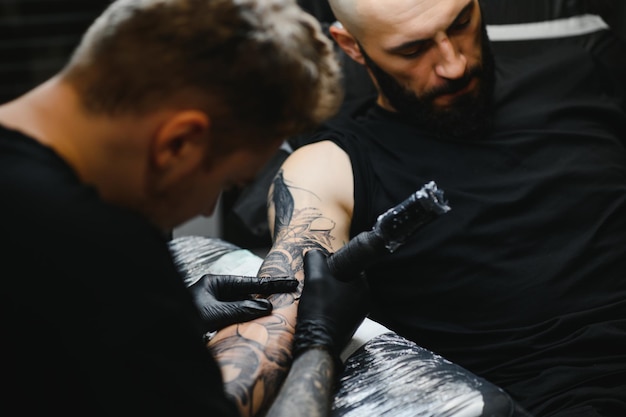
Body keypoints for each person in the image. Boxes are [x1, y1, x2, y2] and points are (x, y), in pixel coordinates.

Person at [208, 0, 626, 416]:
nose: (454, 65)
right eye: (412, 50)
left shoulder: (576, 76)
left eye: (462, 22)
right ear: (351, 46)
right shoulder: (330, 165)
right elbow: (269, 325)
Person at [0, 0, 371, 415]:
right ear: (179, 143)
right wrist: (317, 347)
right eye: (231, 182)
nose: (209, 203)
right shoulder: (98, 250)